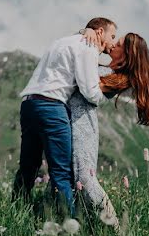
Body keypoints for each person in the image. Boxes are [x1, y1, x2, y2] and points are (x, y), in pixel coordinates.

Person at [12, 17, 117, 216]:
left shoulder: (62, 41)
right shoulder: (88, 46)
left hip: (29, 104)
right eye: (112, 36)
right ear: (100, 32)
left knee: (28, 166)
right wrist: (104, 98)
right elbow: (89, 91)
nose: (113, 42)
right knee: (62, 172)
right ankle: (69, 227)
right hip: (52, 107)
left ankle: (16, 211)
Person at [69, 32, 149, 229]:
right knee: (69, 176)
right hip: (71, 121)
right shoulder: (106, 69)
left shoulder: (118, 78)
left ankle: (115, 228)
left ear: (126, 54)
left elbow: (85, 80)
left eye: (117, 44)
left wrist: (91, 45)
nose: (111, 45)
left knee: (85, 178)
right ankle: (76, 223)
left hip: (82, 126)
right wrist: (88, 31)